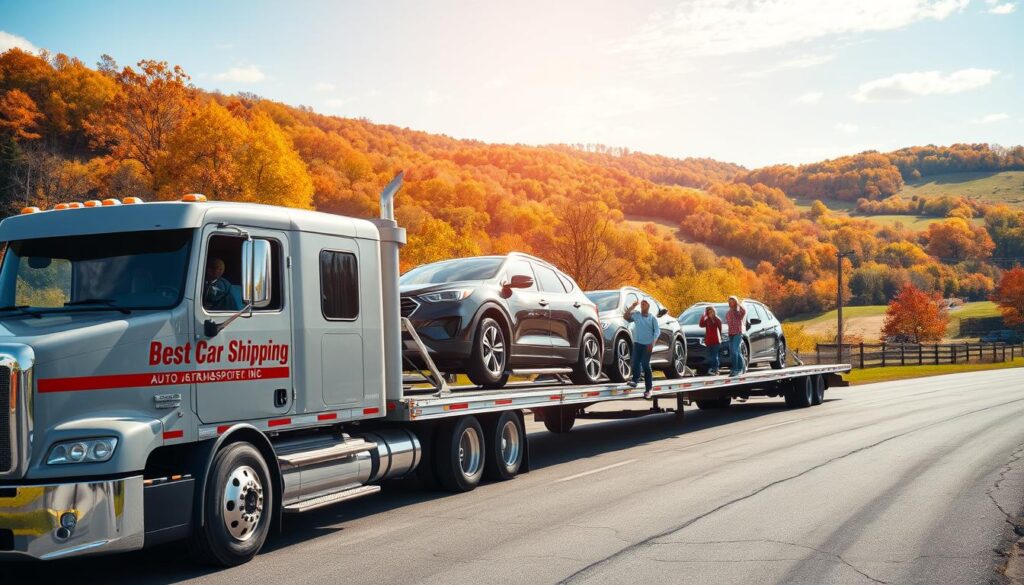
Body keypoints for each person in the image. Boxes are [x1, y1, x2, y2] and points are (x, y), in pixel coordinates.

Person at [624, 298, 660, 399]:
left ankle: (649, 389)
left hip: (648, 345)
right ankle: (635, 381)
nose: (642, 305)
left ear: (648, 306)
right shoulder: (637, 315)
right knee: (635, 362)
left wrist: (652, 343)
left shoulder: (652, 318)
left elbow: (657, 332)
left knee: (645, 365)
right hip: (638, 343)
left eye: (644, 304)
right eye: (642, 304)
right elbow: (626, 316)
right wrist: (632, 307)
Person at [725, 295, 747, 376]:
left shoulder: (738, 312)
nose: (731, 303)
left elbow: (743, 311)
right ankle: (741, 368)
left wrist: (739, 304)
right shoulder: (728, 313)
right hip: (730, 334)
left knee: (734, 351)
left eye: (733, 301)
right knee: (736, 351)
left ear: (735, 302)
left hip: (738, 333)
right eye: (730, 301)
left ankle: (737, 369)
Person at [699, 306, 723, 375]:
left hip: (716, 340)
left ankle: (715, 369)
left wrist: (720, 339)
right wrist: (703, 315)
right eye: (708, 312)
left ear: (714, 311)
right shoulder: (707, 320)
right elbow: (701, 325)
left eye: (711, 311)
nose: (710, 313)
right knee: (710, 356)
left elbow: (720, 330)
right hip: (709, 340)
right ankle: (714, 369)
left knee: (715, 356)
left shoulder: (717, 319)